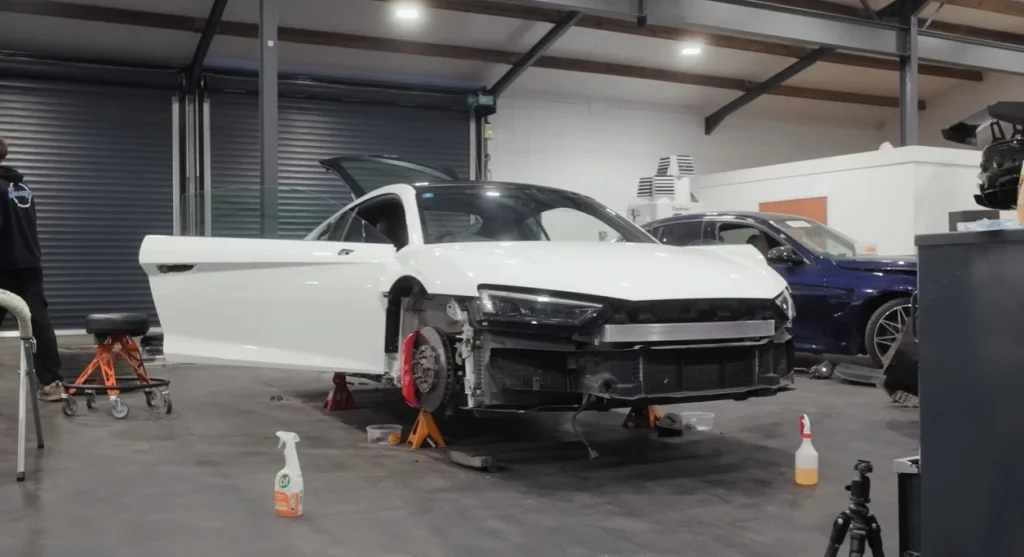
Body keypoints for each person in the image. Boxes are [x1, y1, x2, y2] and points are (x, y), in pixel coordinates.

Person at [0, 136, 64, 401]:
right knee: (38, 321)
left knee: (37, 322)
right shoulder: (22, 186)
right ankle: (52, 384)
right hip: (29, 264)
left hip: (3, 266)